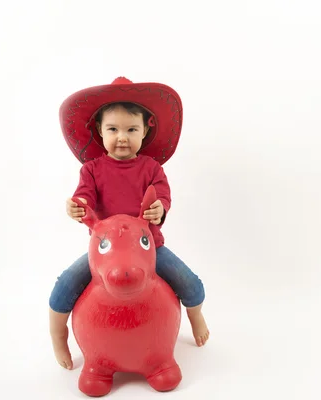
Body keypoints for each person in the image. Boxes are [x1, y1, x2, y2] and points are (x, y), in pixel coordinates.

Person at [49, 77, 210, 370]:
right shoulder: (92, 170)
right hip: (106, 254)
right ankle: (58, 336)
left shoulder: (151, 168)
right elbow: (83, 196)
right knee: (64, 285)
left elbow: (163, 197)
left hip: (148, 249)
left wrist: (159, 209)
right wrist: (78, 205)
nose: (122, 137)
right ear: (100, 131)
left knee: (191, 283)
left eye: (131, 129)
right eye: (113, 129)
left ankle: (195, 315)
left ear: (145, 131)